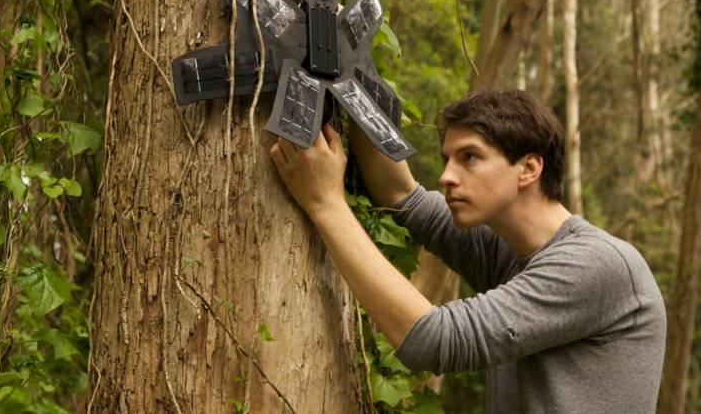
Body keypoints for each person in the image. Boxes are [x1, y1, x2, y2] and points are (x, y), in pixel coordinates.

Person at [269, 88, 666, 414]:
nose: (446, 176)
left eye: (469, 158)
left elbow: (434, 340)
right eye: (446, 159)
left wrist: (326, 204)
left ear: (528, 168)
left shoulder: (596, 264)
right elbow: (401, 196)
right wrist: (346, 74)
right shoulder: (512, 251)